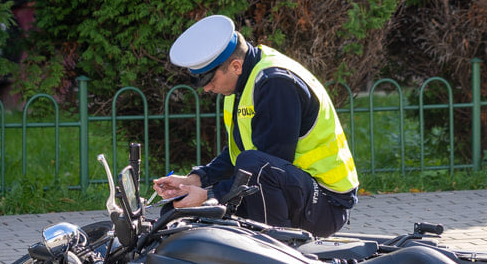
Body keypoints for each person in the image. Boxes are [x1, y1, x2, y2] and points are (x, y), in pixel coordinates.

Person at [153, 15, 359, 237]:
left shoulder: (276, 83)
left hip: (325, 205)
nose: (207, 89)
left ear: (235, 66)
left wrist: (207, 194)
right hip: (294, 192)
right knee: (175, 211)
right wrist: (195, 180)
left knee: (250, 167)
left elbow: (262, 168)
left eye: (210, 81)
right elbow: (238, 155)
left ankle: (278, 252)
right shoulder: (241, 84)